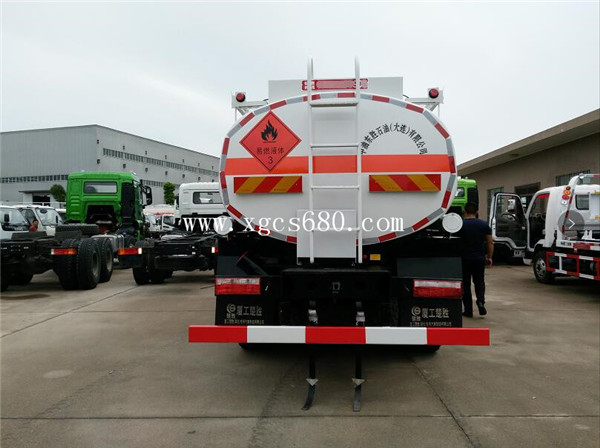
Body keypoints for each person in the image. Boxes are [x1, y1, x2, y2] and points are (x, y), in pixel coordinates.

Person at [458, 202, 493, 317]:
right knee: (479, 281)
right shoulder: (483, 224)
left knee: (466, 284)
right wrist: (489, 257)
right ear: (476, 212)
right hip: (479, 258)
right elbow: (490, 242)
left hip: (464, 258)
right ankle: (481, 302)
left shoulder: (461, 224)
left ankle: (468, 310)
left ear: (465, 211)